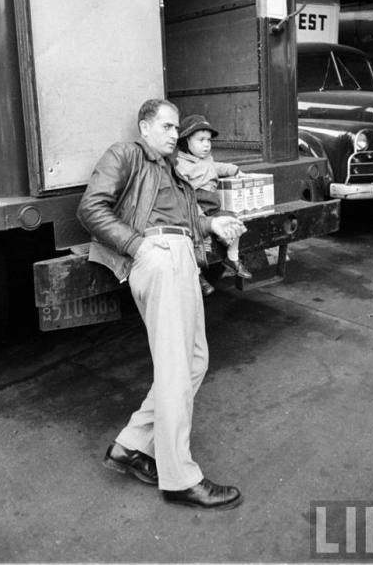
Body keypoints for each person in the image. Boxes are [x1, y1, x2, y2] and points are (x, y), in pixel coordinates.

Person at [77, 98, 244, 510]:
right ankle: (179, 478)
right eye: (168, 127)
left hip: (181, 254)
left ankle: (131, 445)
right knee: (175, 368)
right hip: (160, 255)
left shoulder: (171, 171)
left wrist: (211, 223)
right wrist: (139, 247)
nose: (175, 135)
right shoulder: (127, 155)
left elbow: (185, 221)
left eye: (176, 129)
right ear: (144, 127)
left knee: (193, 362)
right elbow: (90, 208)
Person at [176, 114, 252, 297]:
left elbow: (216, 167)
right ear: (186, 141)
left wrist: (235, 170)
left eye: (209, 140)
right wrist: (199, 216)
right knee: (197, 241)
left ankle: (232, 258)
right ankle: (198, 276)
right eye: (201, 140)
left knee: (235, 222)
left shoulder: (207, 160)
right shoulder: (181, 164)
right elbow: (184, 193)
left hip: (213, 205)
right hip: (197, 204)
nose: (206, 145)